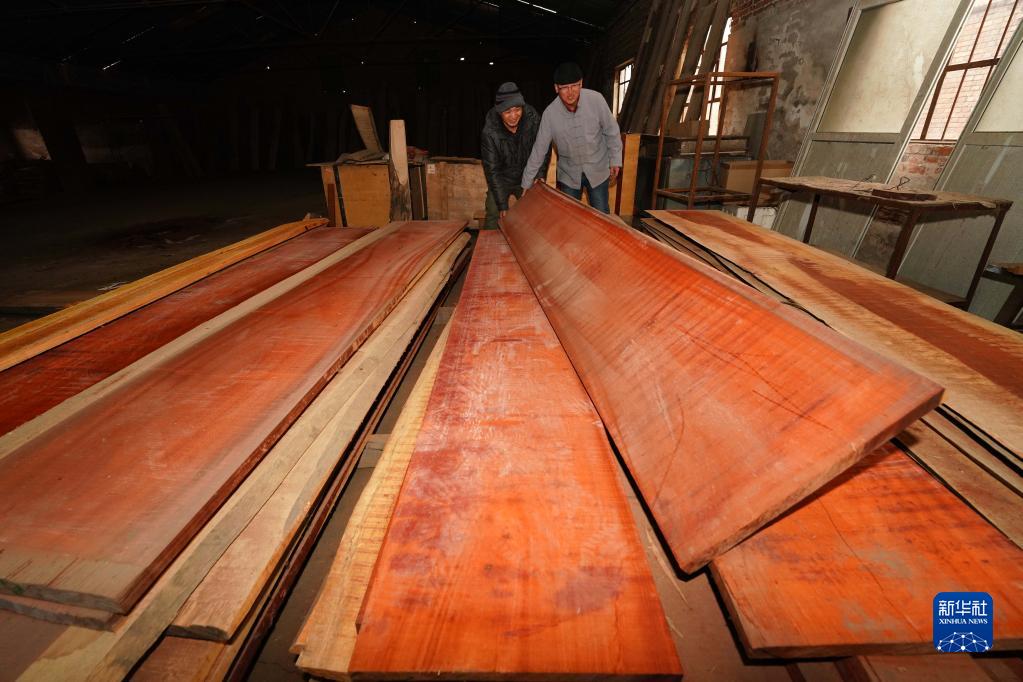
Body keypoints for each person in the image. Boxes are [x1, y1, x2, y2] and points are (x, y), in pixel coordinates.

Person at [520, 62, 622, 213]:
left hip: (598, 169)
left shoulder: (596, 100)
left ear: (581, 83)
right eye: (564, 87)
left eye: (575, 85)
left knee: (601, 216)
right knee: (569, 217)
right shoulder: (549, 115)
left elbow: (611, 131)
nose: (570, 92)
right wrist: (526, 183)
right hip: (569, 175)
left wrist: (615, 160)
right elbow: (539, 150)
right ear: (556, 88)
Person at [480, 82, 548, 229]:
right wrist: (502, 205)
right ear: (499, 112)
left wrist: (539, 174)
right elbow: (492, 170)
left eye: (517, 109)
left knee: (535, 215)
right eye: (507, 112)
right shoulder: (490, 132)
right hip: (502, 179)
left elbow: (541, 148)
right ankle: (489, 243)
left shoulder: (533, 119)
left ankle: (529, 243)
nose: (513, 116)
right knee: (493, 214)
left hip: (526, 176)